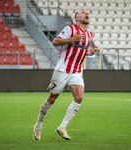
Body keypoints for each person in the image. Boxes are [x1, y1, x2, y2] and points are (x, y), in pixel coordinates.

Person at [33, 10, 96, 140]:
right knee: (52, 99)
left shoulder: (89, 34)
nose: (87, 14)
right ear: (77, 18)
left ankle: (62, 127)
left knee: (79, 97)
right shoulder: (70, 29)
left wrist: (89, 53)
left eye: (88, 13)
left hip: (77, 70)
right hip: (63, 69)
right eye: (84, 13)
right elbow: (55, 42)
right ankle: (38, 126)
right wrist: (73, 39)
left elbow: (80, 50)